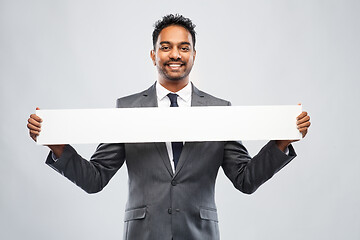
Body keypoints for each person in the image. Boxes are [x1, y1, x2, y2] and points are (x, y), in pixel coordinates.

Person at [27, 14, 311, 240]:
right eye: (166, 47)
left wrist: (280, 143)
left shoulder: (220, 110)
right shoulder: (127, 109)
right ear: (153, 55)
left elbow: (245, 179)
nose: (175, 54)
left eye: (183, 47)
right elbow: (95, 179)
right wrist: (59, 147)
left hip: (200, 234)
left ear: (194, 55)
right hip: (143, 234)